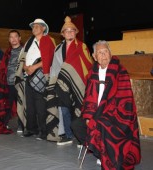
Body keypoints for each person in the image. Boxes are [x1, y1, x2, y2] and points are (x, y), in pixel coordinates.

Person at [72, 40, 141, 169]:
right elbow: (87, 99)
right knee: (76, 125)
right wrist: (88, 116)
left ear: (110, 53)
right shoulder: (92, 73)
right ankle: (101, 153)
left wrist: (100, 116)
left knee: (103, 124)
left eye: (106, 52)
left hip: (117, 115)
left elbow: (125, 101)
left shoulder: (120, 72)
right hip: (95, 113)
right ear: (94, 57)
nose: (103, 55)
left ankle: (109, 157)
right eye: (100, 52)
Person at [46, 16, 93, 144]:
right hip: (63, 85)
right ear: (63, 34)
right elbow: (55, 67)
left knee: (79, 110)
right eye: (66, 31)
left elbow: (88, 65)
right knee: (65, 110)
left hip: (79, 83)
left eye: (72, 30)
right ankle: (68, 134)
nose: (69, 33)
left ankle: (81, 138)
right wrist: (53, 84)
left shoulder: (82, 47)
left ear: (75, 32)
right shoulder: (58, 49)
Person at [15, 18, 55, 140]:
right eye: (33, 26)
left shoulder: (48, 40)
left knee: (41, 105)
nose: (35, 28)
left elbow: (49, 59)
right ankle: (32, 128)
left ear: (43, 28)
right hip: (28, 76)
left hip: (41, 76)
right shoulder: (29, 42)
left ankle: (44, 131)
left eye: (38, 26)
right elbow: (24, 57)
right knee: (30, 105)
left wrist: (34, 67)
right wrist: (26, 67)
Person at [0, 30, 23, 134]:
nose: (13, 39)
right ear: (9, 40)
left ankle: (21, 125)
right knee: (7, 104)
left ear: (19, 38)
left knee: (21, 105)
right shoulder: (7, 52)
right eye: (11, 37)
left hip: (20, 83)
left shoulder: (24, 51)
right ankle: (3, 123)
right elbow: (3, 68)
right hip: (8, 84)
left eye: (15, 37)